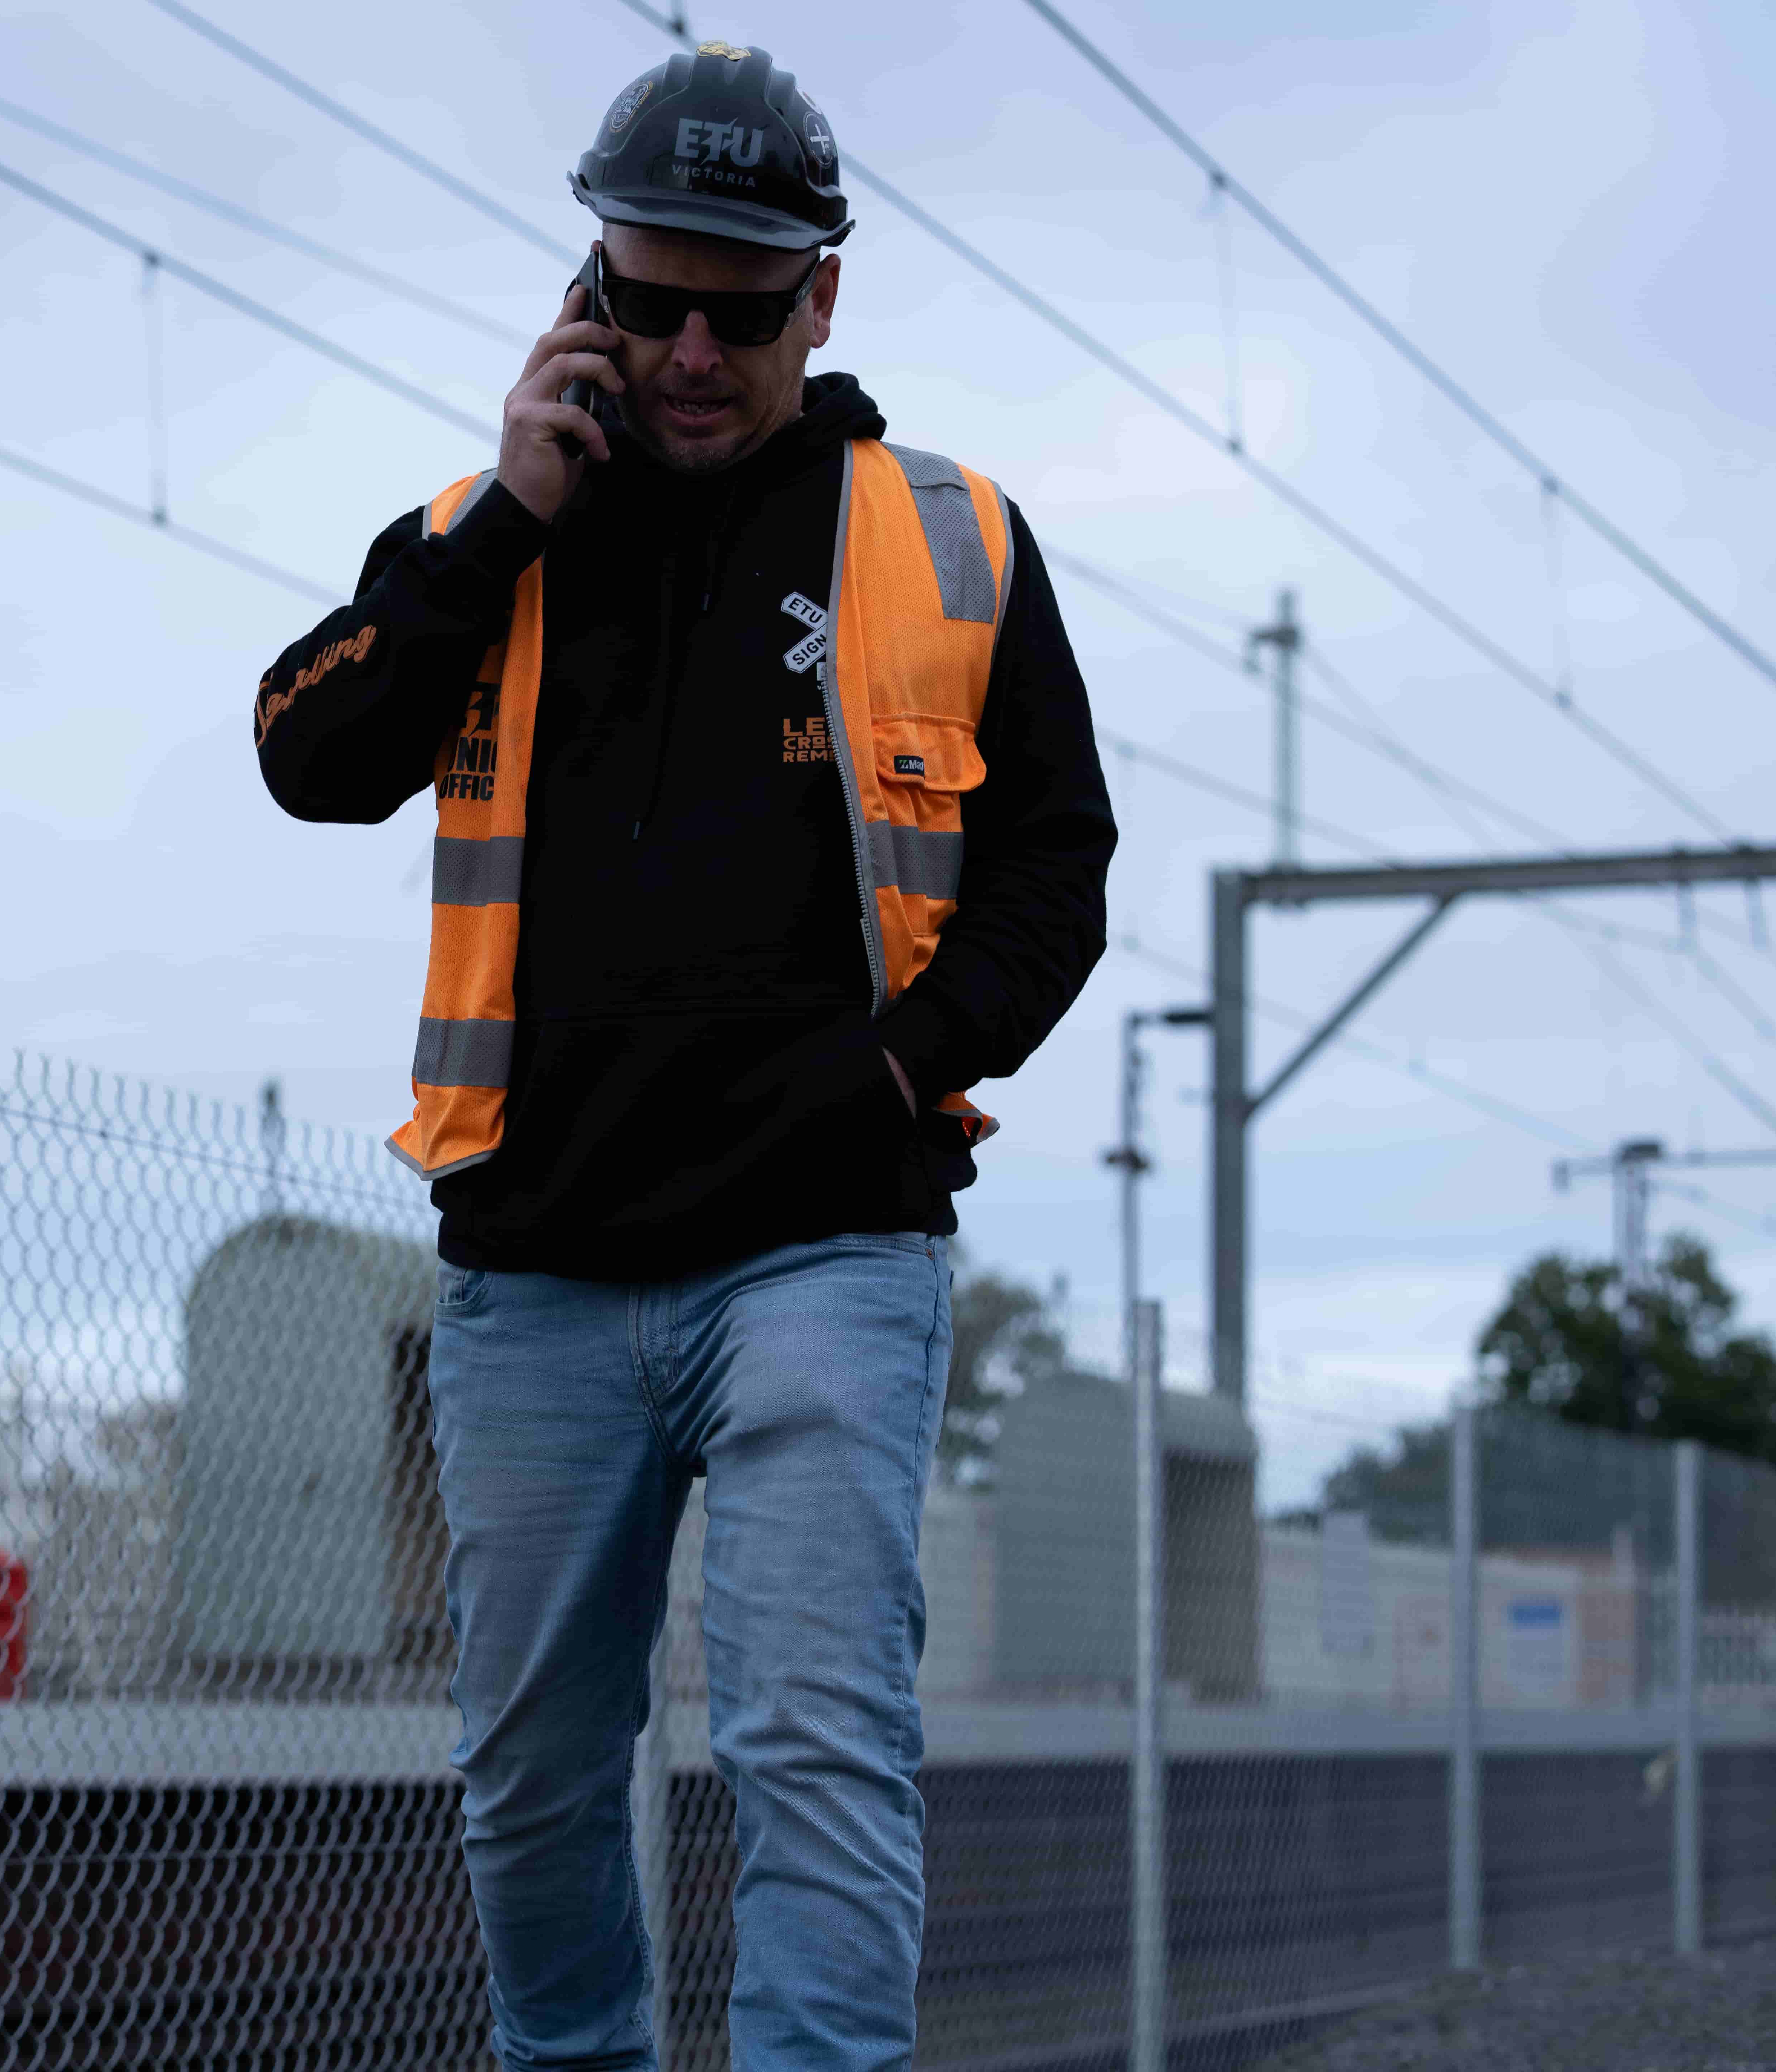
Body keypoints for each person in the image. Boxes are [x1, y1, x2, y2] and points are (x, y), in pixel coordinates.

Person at [251, 42, 1116, 2072]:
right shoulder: (479, 533)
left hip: (825, 1250)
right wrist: (505, 532)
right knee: (534, 1775)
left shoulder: (955, 536)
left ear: (828, 296)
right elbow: (311, 755)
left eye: (746, 305)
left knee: (816, 1747)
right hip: (538, 1270)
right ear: (588, 295)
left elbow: (1054, 867)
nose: (698, 349)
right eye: (651, 303)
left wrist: (903, 1073)